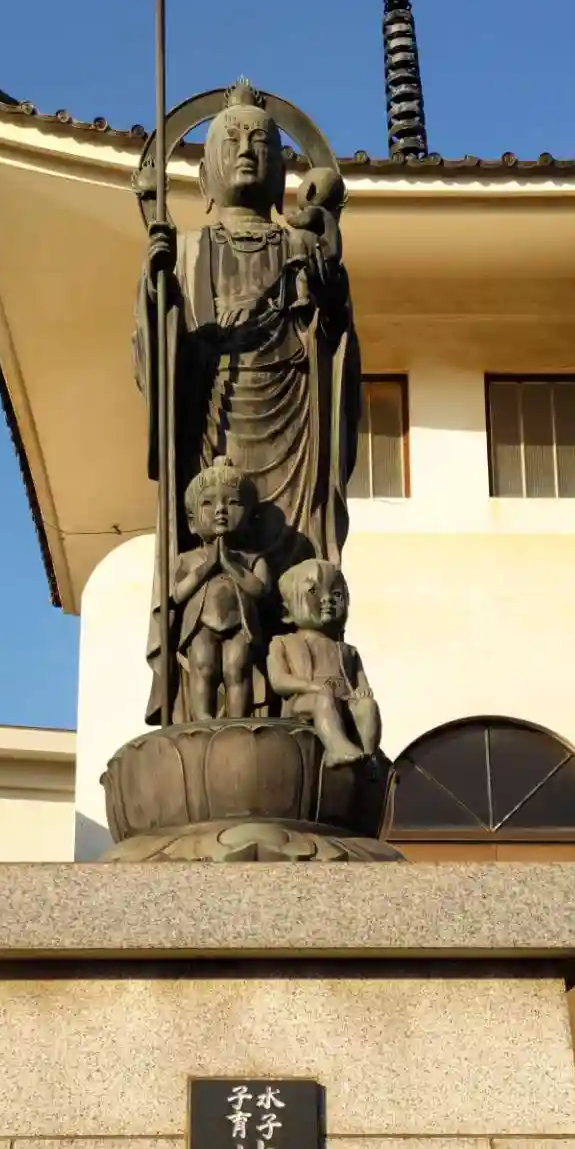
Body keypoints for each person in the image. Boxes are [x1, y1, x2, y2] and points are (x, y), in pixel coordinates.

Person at [134, 78, 360, 629]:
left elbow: (332, 332)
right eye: (231, 141)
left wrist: (328, 279)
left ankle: (297, 636)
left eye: (261, 142)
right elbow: (155, 354)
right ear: (206, 170)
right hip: (215, 412)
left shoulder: (300, 244)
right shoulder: (188, 248)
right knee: (216, 536)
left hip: (293, 417)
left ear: (282, 168)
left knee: (296, 551)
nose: (246, 152)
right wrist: (156, 291)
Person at [146, 458, 271, 723]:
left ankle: (238, 720)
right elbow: (176, 595)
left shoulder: (251, 559)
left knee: (237, 668)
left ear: (250, 518)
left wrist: (230, 565)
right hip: (199, 625)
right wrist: (208, 566)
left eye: (232, 502)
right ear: (192, 521)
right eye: (208, 503)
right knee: (203, 666)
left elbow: (260, 589)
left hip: (241, 625)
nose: (221, 509)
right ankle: (203, 719)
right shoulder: (187, 559)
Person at [266, 560, 381, 768]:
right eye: (313, 591)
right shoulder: (282, 643)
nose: (327, 599)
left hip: (344, 702)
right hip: (304, 703)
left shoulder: (347, 651)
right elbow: (279, 680)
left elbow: (361, 683)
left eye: (336, 594)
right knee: (324, 698)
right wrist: (313, 687)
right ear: (287, 613)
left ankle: (369, 759)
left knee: (367, 706)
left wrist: (362, 692)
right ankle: (337, 747)